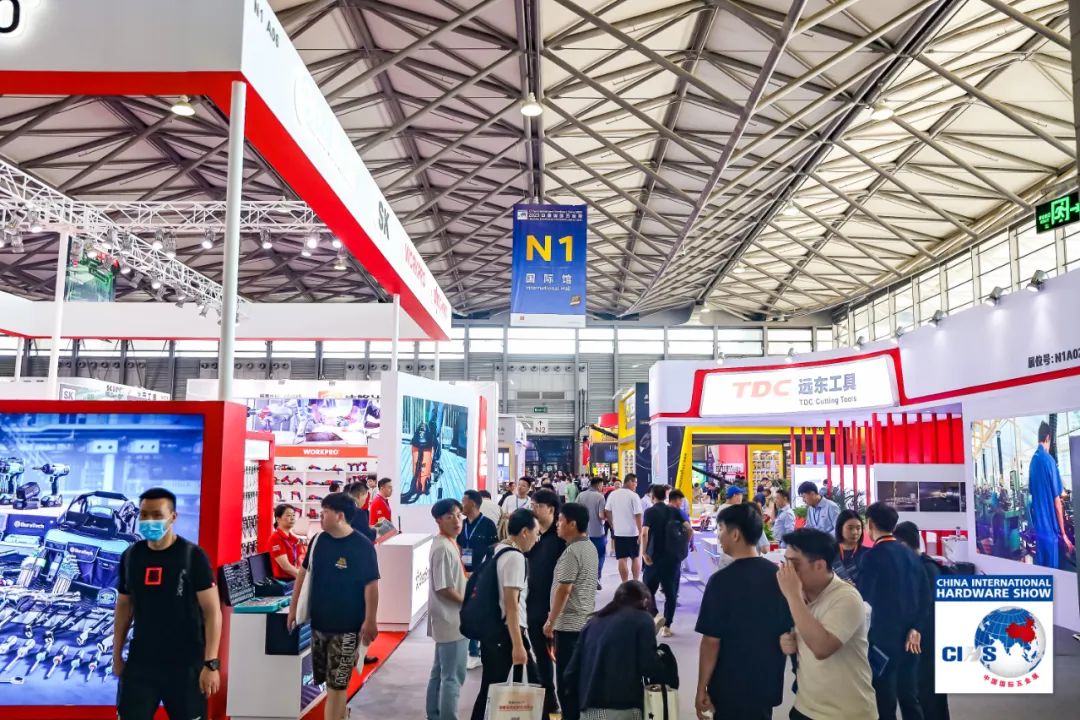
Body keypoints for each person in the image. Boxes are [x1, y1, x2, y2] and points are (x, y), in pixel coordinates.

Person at [114, 488, 222, 720]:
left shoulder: (192, 556)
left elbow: (212, 612)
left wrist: (211, 664)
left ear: (173, 517)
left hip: (186, 664)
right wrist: (116, 655)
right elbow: (124, 607)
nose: (149, 521)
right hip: (141, 662)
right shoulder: (131, 556)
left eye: (157, 515)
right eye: (144, 515)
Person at [288, 493, 380, 720]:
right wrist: (293, 609)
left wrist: (370, 620)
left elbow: (371, 585)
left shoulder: (362, 546)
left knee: (337, 686)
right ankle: (342, 715)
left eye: (325, 512)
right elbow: (303, 574)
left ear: (339, 516)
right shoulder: (318, 541)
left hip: (348, 628)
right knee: (329, 684)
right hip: (319, 624)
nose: (320, 516)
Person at [696, 503, 791, 720]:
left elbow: (711, 641)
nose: (719, 536)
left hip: (729, 684)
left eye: (721, 529)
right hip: (766, 681)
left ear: (735, 534)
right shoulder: (779, 576)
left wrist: (702, 686)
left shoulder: (720, 581)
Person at [777, 528, 877, 720]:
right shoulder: (801, 596)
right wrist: (790, 641)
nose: (786, 572)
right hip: (805, 707)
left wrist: (792, 596)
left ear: (820, 566)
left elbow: (822, 647)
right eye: (785, 563)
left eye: (794, 564)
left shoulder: (846, 597)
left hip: (845, 714)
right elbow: (806, 634)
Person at [858, 502, 928, 720]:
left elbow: (862, 597)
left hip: (882, 639)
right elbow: (925, 596)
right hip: (911, 637)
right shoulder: (912, 556)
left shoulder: (871, 557)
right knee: (909, 696)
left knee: (884, 699)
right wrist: (916, 628)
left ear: (870, 524)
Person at [470, 509, 540, 720]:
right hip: (508, 634)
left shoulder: (496, 549)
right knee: (525, 685)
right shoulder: (515, 558)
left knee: (490, 688)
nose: (537, 539)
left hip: (492, 632)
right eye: (536, 533)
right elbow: (511, 605)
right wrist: (518, 645)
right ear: (525, 532)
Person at [564, 581, 661, 719]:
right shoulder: (643, 619)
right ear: (645, 601)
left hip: (589, 709)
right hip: (622, 706)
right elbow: (648, 667)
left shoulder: (593, 621)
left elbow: (570, 672)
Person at [544, 502, 598, 720]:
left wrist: (551, 621)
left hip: (568, 626)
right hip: (584, 624)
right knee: (577, 681)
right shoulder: (589, 547)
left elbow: (564, 589)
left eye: (560, 520)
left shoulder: (572, 552)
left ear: (572, 524)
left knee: (566, 684)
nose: (557, 524)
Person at [894, 522, 950, 720]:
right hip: (921, 641)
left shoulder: (926, 569)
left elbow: (923, 608)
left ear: (903, 544)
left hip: (927, 642)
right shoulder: (921, 566)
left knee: (929, 695)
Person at [525, 489, 565, 717]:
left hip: (554, 610)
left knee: (561, 657)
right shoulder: (532, 537)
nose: (533, 509)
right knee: (541, 656)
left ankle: (565, 699)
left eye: (537, 506)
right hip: (533, 607)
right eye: (532, 505)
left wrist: (555, 613)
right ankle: (549, 699)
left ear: (551, 509)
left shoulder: (560, 540)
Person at [426, 499, 468, 720]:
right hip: (452, 620)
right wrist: (467, 604)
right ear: (438, 520)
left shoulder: (448, 543)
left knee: (440, 672)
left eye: (459, 515)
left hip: (448, 619)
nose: (456, 521)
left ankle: (434, 714)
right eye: (450, 516)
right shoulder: (443, 547)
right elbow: (444, 588)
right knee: (452, 677)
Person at [641, 484, 688, 637]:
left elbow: (644, 533)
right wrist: (682, 548)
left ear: (653, 496)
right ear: (666, 496)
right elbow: (689, 529)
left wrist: (644, 553)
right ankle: (667, 627)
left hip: (654, 557)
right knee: (671, 593)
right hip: (673, 558)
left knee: (647, 590)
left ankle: (656, 615)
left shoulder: (650, 512)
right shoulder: (675, 511)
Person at [1029, 420, 1073, 568]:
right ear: (1048, 438)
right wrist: (1064, 534)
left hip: (1039, 531)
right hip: (1050, 533)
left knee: (1042, 571)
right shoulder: (1049, 461)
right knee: (1053, 572)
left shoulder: (1032, 462)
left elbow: (1034, 495)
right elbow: (1057, 503)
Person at [605, 474, 643, 582]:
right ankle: (635, 581)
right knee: (635, 557)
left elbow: (607, 510)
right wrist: (640, 531)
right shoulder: (634, 496)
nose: (636, 485)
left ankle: (625, 583)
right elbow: (638, 515)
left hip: (619, 532)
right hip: (633, 532)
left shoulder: (613, 494)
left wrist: (612, 524)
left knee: (622, 558)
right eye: (635, 482)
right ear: (630, 481)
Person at [577, 476, 608, 586]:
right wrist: (608, 517)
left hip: (582, 532)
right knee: (600, 555)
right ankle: (596, 577)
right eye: (602, 485)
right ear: (599, 485)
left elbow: (576, 512)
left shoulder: (581, 495)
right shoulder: (600, 497)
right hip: (597, 531)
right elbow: (601, 515)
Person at [269, 504, 304, 580]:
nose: (292, 518)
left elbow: (300, 560)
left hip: (294, 577)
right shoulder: (276, 538)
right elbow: (286, 567)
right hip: (283, 581)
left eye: (293, 515)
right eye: (288, 515)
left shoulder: (293, 539)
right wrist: (304, 577)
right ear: (278, 519)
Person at [834, 509, 868, 580]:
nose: (855, 532)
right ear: (840, 528)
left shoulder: (868, 553)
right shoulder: (829, 553)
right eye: (850, 528)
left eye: (858, 528)